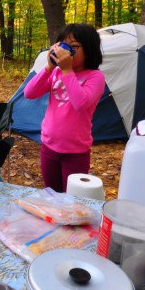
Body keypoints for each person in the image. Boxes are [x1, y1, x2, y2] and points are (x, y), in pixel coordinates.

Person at [23, 23, 105, 192]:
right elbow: (29, 93)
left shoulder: (95, 77)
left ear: (89, 48)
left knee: (71, 199)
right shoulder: (56, 73)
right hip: (49, 147)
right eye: (62, 45)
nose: (66, 51)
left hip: (76, 152)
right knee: (52, 194)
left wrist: (67, 70)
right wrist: (49, 67)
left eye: (73, 46)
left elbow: (80, 104)